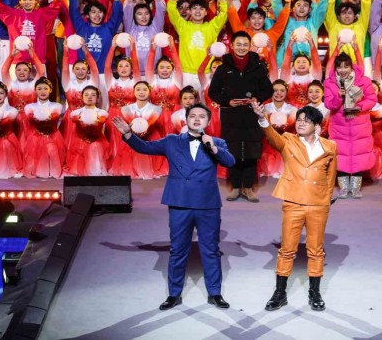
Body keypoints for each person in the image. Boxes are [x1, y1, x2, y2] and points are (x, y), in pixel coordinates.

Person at [112, 103, 236, 310]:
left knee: (211, 250)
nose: (197, 119)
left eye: (202, 116)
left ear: (208, 121)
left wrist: (213, 147)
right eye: (193, 116)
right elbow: (145, 148)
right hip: (180, 203)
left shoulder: (217, 142)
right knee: (178, 250)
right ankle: (174, 294)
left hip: (207, 204)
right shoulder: (172, 141)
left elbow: (230, 162)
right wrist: (128, 134)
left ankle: (215, 293)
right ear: (186, 119)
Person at [251, 103, 337, 312]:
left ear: (317, 125)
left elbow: (330, 176)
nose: (300, 123)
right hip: (293, 202)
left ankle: (314, 292)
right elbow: (272, 136)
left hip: (318, 204)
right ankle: (279, 293)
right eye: (298, 120)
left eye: (306, 121)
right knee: (287, 249)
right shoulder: (288, 140)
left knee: (315, 250)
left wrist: (325, 200)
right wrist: (262, 118)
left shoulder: (329, 146)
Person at [208, 31, 274, 202]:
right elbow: (213, 92)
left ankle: (248, 188)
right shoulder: (223, 68)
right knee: (233, 152)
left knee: (252, 152)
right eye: (238, 44)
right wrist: (227, 101)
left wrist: (256, 99)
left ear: (250, 46)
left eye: (245, 44)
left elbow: (268, 90)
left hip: (252, 115)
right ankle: (236, 188)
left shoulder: (258, 67)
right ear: (232, 45)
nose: (242, 48)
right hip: (231, 116)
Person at [324, 45, 377, 198]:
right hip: (339, 125)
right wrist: (339, 96)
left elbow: (372, 99)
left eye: (346, 66)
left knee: (358, 154)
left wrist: (359, 107)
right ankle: (343, 187)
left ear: (351, 67)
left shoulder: (364, 81)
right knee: (340, 155)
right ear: (335, 68)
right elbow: (328, 104)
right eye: (339, 67)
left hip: (359, 123)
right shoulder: (329, 83)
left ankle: (355, 187)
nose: (343, 70)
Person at [110, 81, 163, 179]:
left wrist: (141, 132)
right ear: (133, 92)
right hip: (132, 136)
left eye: (145, 89)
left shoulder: (157, 109)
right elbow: (132, 125)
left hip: (149, 137)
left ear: (149, 92)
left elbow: (148, 125)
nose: (141, 92)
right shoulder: (125, 109)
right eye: (138, 90)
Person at [23, 78, 65, 179]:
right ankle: (39, 170)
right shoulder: (29, 107)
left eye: (45, 88)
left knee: (52, 149)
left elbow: (50, 119)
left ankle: (52, 170)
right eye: (39, 88)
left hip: (53, 136)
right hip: (35, 137)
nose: (42, 91)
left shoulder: (57, 106)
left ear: (50, 90)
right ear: (35, 90)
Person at [64, 86, 110, 176]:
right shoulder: (75, 113)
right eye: (86, 95)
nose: (89, 97)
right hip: (80, 141)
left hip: (97, 141)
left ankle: (95, 172)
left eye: (93, 95)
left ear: (97, 98)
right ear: (82, 97)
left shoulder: (102, 113)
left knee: (95, 146)